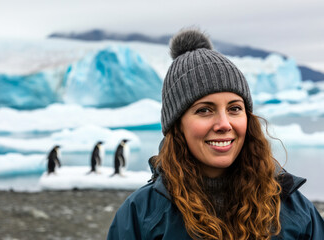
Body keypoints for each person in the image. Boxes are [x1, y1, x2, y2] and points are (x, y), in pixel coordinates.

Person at [107, 29, 324, 239]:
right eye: (204, 110)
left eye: (234, 108)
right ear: (177, 125)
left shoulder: (295, 211)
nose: (223, 124)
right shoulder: (142, 214)